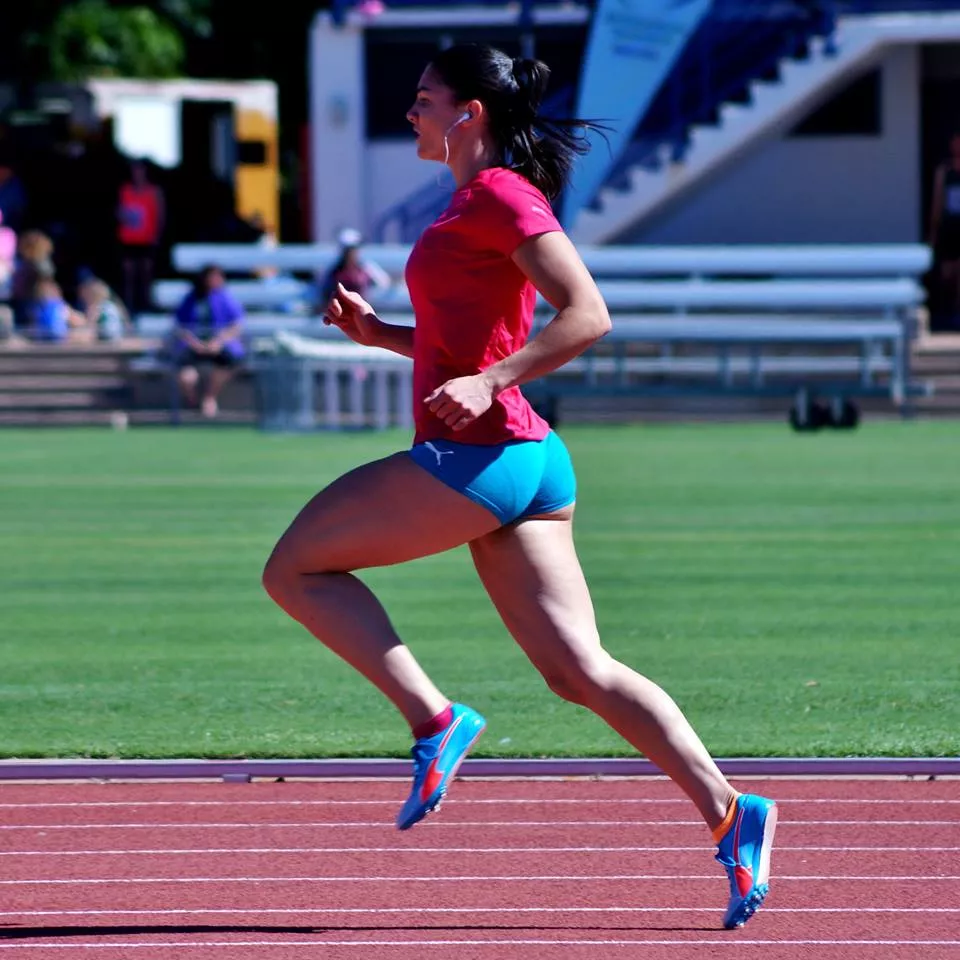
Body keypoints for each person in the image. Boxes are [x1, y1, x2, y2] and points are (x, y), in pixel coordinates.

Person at [261, 43, 777, 930]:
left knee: (295, 570)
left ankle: (434, 720)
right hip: (526, 463)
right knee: (582, 672)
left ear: (471, 115)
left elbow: (589, 314)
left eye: (425, 100)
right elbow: (466, 338)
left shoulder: (503, 194)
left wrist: (490, 383)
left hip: (487, 457)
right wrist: (385, 334)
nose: (412, 113)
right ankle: (734, 813)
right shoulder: (469, 201)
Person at [171, 265, 244, 417]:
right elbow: (179, 326)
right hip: (194, 345)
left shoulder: (225, 299)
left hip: (217, 346)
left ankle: (209, 398)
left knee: (228, 362)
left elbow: (236, 325)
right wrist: (195, 343)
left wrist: (218, 342)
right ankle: (192, 403)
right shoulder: (190, 299)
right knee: (187, 376)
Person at [117, 158, 164, 315]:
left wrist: (156, 235)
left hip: (146, 239)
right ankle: (128, 304)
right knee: (128, 273)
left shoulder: (154, 191)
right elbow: (119, 211)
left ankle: (145, 302)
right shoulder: (125, 190)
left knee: (146, 272)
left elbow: (160, 215)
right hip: (129, 238)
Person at [318, 228, 391, 306]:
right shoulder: (333, 271)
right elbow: (323, 291)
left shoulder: (366, 268)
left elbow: (384, 282)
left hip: (361, 312)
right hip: (340, 313)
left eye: (353, 248)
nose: (350, 253)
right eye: (348, 249)